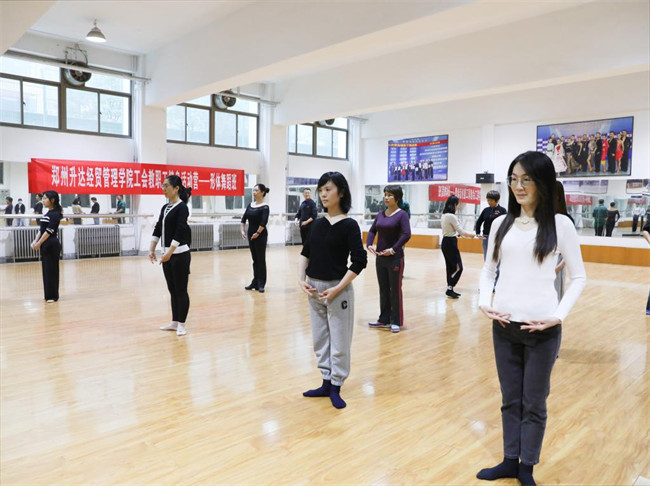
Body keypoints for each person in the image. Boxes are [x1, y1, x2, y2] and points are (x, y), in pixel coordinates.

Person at [477, 151, 586, 486]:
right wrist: (484, 302)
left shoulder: (560, 225)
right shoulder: (500, 224)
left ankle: (527, 467)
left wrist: (558, 316)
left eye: (526, 179)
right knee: (510, 400)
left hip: (542, 330)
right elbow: (488, 270)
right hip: (504, 327)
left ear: (542, 183)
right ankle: (510, 460)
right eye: (514, 179)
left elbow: (579, 277)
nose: (519, 186)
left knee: (534, 403)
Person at [298, 171, 367, 409]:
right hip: (314, 289)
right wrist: (301, 280)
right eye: (321, 190)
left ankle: (336, 385)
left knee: (339, 340)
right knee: (320, 339)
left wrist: (338, 288)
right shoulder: (318, 224)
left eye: (328, 189)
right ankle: (325, 382)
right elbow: (306, 253)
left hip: (338, 291)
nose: (323, 194)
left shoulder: (349, 225)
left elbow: (359, 261)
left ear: (342, 192)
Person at [149, 175, 192, 337]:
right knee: (172, 290)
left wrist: (169, 253)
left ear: (176, 188)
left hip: (180, 255)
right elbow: (158, 228)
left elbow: (180, 231)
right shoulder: (165, 207)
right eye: (163, 186)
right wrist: (152, 249)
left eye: (166, 186)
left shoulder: (182, 208)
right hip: (167, 255)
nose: (163, 188)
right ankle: (174, 322)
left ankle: (182, 324)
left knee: (181, 290)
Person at [366, 185, 411, 333]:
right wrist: (369, 244)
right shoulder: (380, 214)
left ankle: (396, 320)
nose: (386, 197)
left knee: (395, 290)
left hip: (395, 258)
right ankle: (384, 319)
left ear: (397, 198)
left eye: (390, 195)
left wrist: (393, 249)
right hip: (380, 258)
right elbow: (373, 230)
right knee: (383, 289)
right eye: (385, 194)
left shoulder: (402, 215)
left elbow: (406, 234)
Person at [30, 191, 63, 303]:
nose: (43, 200)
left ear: (52, 200)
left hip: (51, 244)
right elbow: (41, 230)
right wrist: (35, 241)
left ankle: (53, 296)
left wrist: (39, 243)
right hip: (45, 244)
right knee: (46, 270)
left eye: (45, 198)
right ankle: (48, 294)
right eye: (43, 198)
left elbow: (49, 231)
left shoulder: (55, 214)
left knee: (52, 270)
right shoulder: (47, 213)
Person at [440, 195, 475, 298]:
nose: (458, 206)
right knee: (459, 267)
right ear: (454, 204)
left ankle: (450, 289)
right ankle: (450, 287)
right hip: (450, 243)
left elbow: (454, 231)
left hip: (446, 242)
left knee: (450, 267)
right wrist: (472, 235)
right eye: (457, 204)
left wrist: (463, 236)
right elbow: (461, 231)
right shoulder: (451, 216)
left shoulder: (444, 215)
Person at [241, 184, 270, 292]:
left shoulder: (265, 207)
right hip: (251, 235)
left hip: (260, 235)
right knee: (255, 259)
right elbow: (243, 219)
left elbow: (264, 221)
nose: (254, 192)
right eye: (253, 190)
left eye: (256, 190)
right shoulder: (250, 205)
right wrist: (242, 230)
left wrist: (258, 233)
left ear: (262, 192)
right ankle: (255, 281)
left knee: (261, 259)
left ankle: (261, 283)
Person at [475, 190, 507, 260]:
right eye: (488, 200)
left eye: (491, 200)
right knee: (487, 255)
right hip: (486, 236)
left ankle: (497, 268)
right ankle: (487, 267)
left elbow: (506, 224)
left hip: (497, 237)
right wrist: (478, 233)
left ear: (496, 200)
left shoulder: (503, 210)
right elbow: (478, 222)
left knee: (497, 255)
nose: (489, 202)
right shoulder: (485, 210)